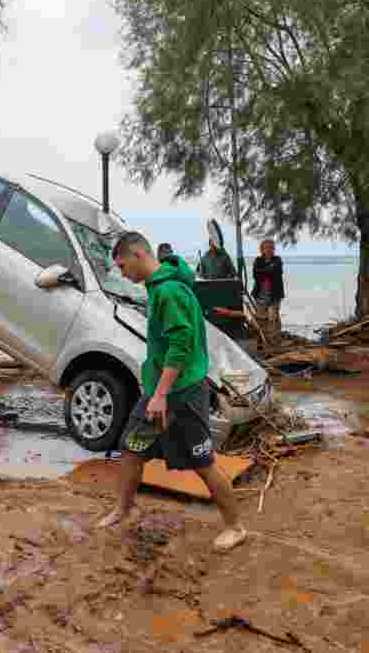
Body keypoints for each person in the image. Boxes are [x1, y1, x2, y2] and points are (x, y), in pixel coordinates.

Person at [98, 231, 246, 552]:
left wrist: (162, 394)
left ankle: (235, 527)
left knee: (202, 462)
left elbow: (180, 345)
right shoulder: (158, 288)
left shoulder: (168, 291)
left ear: (138, 254)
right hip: (158, 391)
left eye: (123, 266)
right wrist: (156, 391)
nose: (123, 274)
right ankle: (124, 508)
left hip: (181, 393)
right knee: (131, 447)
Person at [251, 239, 284, 345]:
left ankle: (275, 340)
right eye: (266, 248)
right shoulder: (258, 260)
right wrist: (268, 270)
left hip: (275, 293)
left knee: (273, 317)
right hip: (261, 293)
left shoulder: (277, 260)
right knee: (261, 319)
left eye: (271, 247)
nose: (269, 250)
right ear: (262, 249)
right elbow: (256, 275)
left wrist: (264, 271)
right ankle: (262, 340)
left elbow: (275, 272)